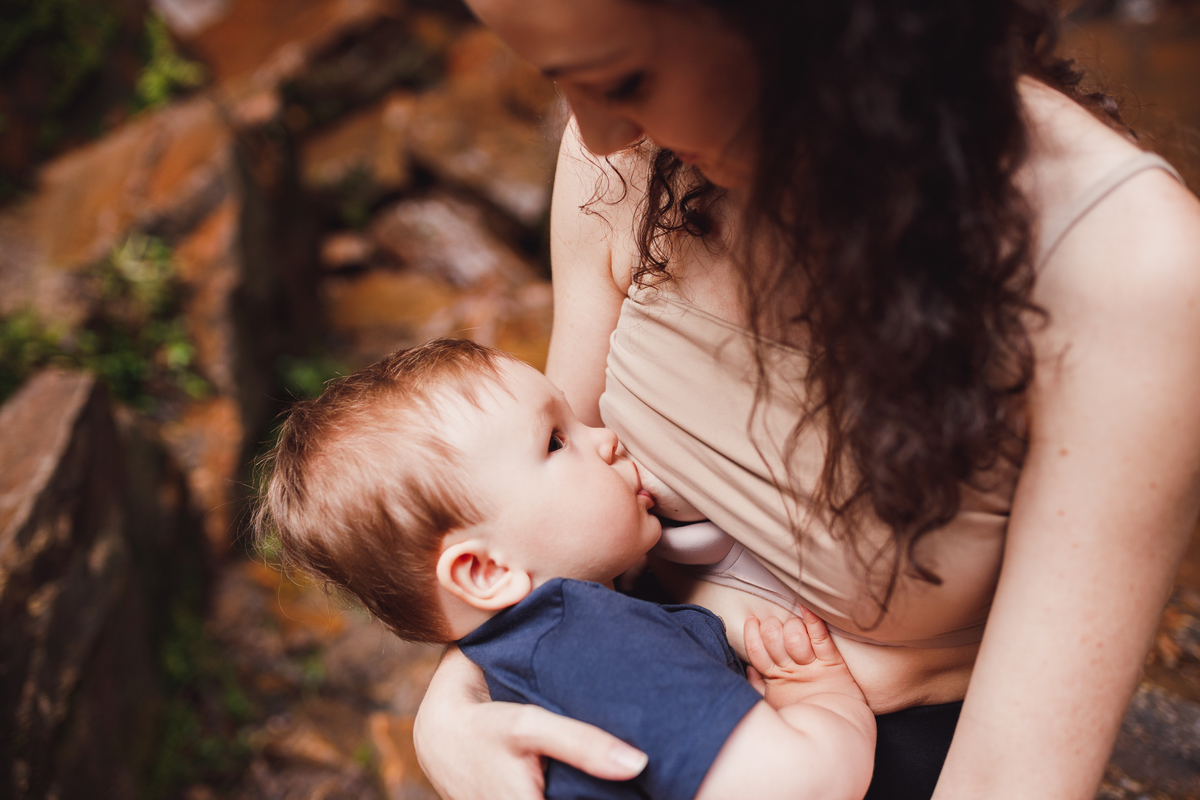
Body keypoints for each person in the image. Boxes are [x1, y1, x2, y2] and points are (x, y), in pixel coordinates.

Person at [412, 1, 1200, 799]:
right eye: (560, 79)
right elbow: (523, 518)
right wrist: (452, 713)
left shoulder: (1130, 271)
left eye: (626, 79)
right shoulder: (628, 150)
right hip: (619, 696)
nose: (599, 134)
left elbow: (1013, 778)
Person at [254, 338, 877, 800]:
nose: (606, 437)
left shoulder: (526, 660)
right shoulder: (594, 644)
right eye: (556, 440)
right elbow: (800, 786)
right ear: (484, 571)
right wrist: (819, 695)